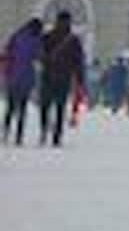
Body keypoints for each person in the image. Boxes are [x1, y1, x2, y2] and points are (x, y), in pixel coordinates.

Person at [39, 12, 86, 147]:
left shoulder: (48, 37)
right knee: (59, 107)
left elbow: (39, 54)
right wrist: (79, 78)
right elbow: (79, 61)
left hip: (48, 76)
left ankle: (45, 131)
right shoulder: (73, 40)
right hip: (62, 77)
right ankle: (56, 136)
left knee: (47, 106)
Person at [5, 19, 43, 145]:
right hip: (25, 77)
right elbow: (38, 56)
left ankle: (6, 131)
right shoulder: (35, 40)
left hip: (12, 76)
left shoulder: (16, 36)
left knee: (10, 107)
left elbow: (7, 52)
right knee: (22, 107)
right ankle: (18, 136)